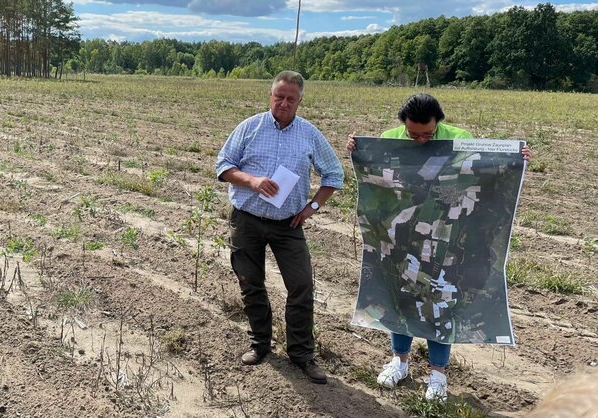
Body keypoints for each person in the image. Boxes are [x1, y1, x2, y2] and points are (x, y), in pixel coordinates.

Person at [347, 93, 531, 400]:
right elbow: (379, 181)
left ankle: (437, 375)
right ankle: (400, 362)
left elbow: (483, 174)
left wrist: (515, 158)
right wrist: (358, 150)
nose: (420, 140)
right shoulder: (390, 139)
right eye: (413, 134)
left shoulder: (461, 140)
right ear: (402, 125)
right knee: (401, 298)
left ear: (439, 123)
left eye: (427, 134)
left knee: (441, 302)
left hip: (447, 238)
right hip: (401, 237)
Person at [215, 71, 344, 384]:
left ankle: (301, 355)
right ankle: (260, 344)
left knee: (301, 285)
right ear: (270, 96)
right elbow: (223, 166)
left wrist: (311, 208)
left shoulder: (310, 134)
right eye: (279, 96)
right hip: (246, 220)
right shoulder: (250, 127)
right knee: (251, 282)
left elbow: (334, 175)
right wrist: (253, 181)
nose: (283, 103)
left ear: (300, 100)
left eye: (291, 98)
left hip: (288, 225)